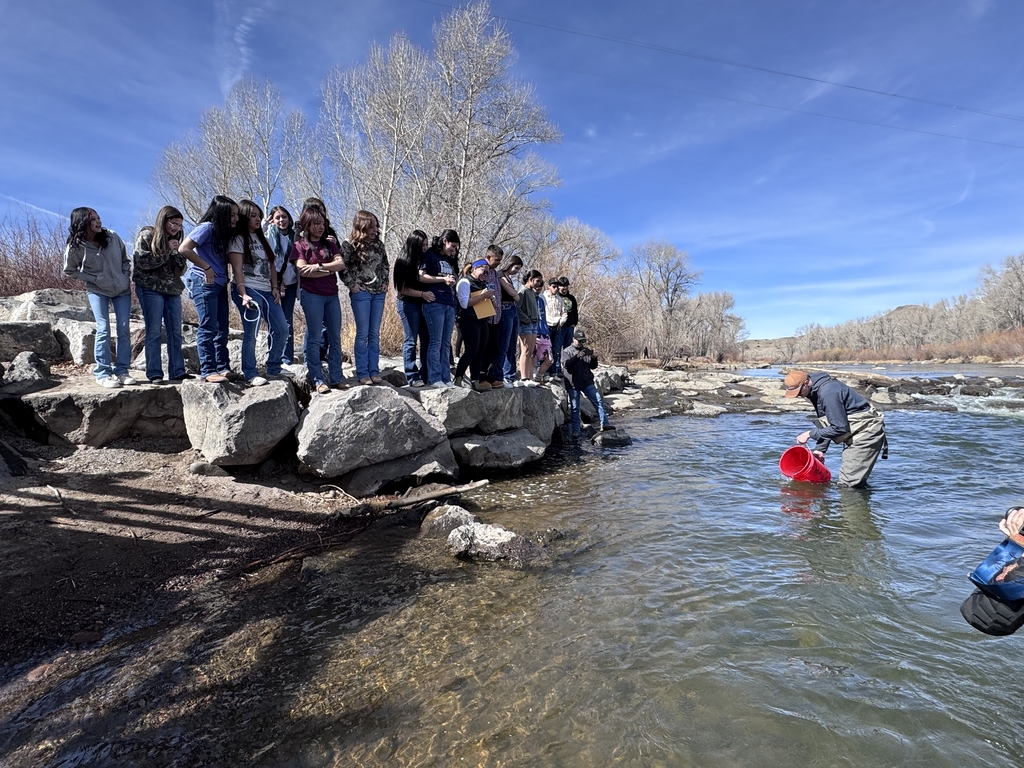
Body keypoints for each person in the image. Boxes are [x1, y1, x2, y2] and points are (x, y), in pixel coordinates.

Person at [63, 207, 134, 388]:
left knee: (124, 328)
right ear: (82, 222)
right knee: (103, 328)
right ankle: (103, 373)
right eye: (92, 219)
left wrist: (125, 275)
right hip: (98, 291)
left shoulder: (112, 236)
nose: (98, 221)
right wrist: (94, 279)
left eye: (98, 218)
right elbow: (69, 270)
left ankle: (122, 371)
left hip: (122, 290)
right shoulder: (75, 246)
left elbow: (126, 260)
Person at [785, 369, 888, 488]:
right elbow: (827, 422)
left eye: (798, 392)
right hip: (856, 433)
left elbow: (839, 427)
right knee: (854, 484)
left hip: (866, 434)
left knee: (848, 485)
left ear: (807, 382)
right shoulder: (815, 390)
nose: (798, 396)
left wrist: (810, 434)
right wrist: (820, 449)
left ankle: (853, 504)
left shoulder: (828, 393)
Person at [227, 199, 290, 386]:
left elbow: (271, 265)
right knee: (251, 332)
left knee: (282, 329)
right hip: (248, 289)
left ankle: (273, 368)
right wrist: (243, 293)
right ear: (244, 217)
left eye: (259, 216)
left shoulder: (264, 238)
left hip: (268, 290)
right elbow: (237, 269)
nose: (257, 219)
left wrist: (275, 287)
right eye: (253, 216)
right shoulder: (237, 239)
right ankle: (250, 372)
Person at [179, 195, 240, 383]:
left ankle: (222, 367)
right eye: (232, 215)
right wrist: (206, 267)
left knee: (222, 328)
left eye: (237, 215)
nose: (235, 219)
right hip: (203, 281)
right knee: (208, 326)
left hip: (221, 284)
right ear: (220, 214)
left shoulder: (224, 234)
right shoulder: (206, 228)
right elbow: (184, 248)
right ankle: (208, 369)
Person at [290, 208, 346, 394]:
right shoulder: (300, 245)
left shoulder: (330, 244)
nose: (321, 227)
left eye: (323, 223)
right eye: (316, 224)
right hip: (312, 295)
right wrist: (328, 270)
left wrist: (319, 266)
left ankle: (337, 377)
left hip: (332, 294)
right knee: (314, 337)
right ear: (307, 225)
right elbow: (302, 270)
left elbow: (341, 264)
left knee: (335, 337)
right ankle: (317, 378)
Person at [133, 206, 187, 384]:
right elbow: (142, 262)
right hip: (150, 289)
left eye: (179, 225)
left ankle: (177, 371)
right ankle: (155, 373)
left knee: (175, 332)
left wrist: (176, 252)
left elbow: (180, 270)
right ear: (163, 220)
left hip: (172, 291)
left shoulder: (175, 241)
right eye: (173, 223)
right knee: (154, 331)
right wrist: (165, 250)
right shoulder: (147, 235)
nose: (176, 228)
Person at [340, 210, 389, 386]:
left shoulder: (379, 245)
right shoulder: (349, 244)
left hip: (378, 293)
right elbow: (342, 268)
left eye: (377, 226)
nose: (376, 230)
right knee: (362, 334)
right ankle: (362, 372)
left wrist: (385, 282)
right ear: (363, 226)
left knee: (374, 334)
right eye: (372, 226)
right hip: (361, 293)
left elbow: (385, 265)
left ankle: (374, 371)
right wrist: (352, 285)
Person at [420, 229, 459, 388]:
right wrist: (442, 279)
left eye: (456, 248)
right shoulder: (429, 254)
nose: (454, 250)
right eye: (453, 246)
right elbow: (421, 276)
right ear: (445, 241)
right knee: (435, 342)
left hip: (449, 304)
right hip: (434, 302)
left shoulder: (450, 260)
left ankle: (445, 378)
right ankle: (434, 378)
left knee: (445, 342)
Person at [394, 229, 433, 387]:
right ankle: (411, 375)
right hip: (408, 303)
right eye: (422, 245)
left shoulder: (426, 259)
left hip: (424, 304)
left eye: (426, 244)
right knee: (411, 340)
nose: (425, 247)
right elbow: (402, 288)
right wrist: (422, 294)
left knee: (427, 340)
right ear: (414, 244)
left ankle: (426, 374)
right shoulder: (403, 261)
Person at [264, 205, 299, 367]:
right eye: (277, 217)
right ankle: (274, 357)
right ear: (273, 220)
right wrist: (266, 224)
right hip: (274, 283)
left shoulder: (296, 236)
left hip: (291, 283)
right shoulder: (269, 235)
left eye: (284, 217)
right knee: (275, 321)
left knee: (287, 321)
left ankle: (286, 359)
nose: (281, 220)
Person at [453, 259, 496, 390]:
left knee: (480, 352)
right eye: (483, 270)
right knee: (471, 351)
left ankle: (475, 380)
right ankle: (458, 378)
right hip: (468, 320)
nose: (485, 274)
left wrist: (491, 300)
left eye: (488, 273)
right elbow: (464, 303)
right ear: (475, 269)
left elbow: (486, 304)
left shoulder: (483, 284)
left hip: (482, 320)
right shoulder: (465, 282)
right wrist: (483, 297)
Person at [562, 328, 611, 438]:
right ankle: (576, 432)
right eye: (579, 341)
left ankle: (605, 424)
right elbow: (567, 366)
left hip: (587, 382)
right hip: (573, 383)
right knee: (575, 408)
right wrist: (578, 356)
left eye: (583, 341)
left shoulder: (586, 350)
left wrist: (594, 358)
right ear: (573, 339)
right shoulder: (566, 352)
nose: (581, 343)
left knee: (598, 400)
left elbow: (593, 366)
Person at [497, 254, 523, 385]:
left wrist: (515, 294)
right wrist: (514, 294)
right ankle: (502, 374)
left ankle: (511, 375)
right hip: (505, 309)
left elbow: (516, 296)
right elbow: (513, 294)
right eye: (516, 268)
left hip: (513, 309)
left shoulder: (509, 278)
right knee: (504, 344)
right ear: (510, 264)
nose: (516, 271)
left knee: (513, 344)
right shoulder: (500, 274)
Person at [516, 269, 544, 385]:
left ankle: (528, 377)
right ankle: (523, 377)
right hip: (525, 324)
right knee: (525, 350)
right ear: (531, 279)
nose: (539, 283)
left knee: (531, 351)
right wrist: (526, 319)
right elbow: (517, 308)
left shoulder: (532, 292)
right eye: (537, 281)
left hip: (534, 324)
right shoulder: (523, 291)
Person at [544, 278, 568, 375]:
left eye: (557, 287)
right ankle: (544, 372)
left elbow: (564, 313)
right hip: (546, 326)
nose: (556, 289)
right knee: (545, 349)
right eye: (553, 286)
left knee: (556, 349)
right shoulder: (543, 297)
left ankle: (554, 372)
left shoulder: (560, 299)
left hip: (557, 326)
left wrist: (561, 321)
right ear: (548, 286)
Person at [558, 276, 579, 366]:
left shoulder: (571, 298)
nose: (564, 287)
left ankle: (566, 367)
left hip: (570, 327)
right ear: (559, 286)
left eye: (566, 285)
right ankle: (557, 368)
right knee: (557, 348)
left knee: (568, 349)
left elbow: (575, 311)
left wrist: (575, 323)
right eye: (562, 285)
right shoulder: (556, 297)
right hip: (559, 327)